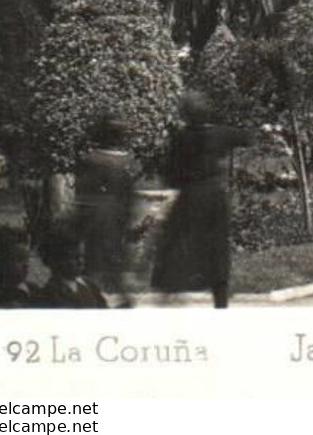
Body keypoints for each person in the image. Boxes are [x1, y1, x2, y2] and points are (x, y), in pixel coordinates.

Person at [150, 93, 257, 308]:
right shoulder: (220, 133)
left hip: (190, 197)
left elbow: (169, 174)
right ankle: (220, 299)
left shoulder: (180, 138)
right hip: (216, 198)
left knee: (175, 245)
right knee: (218, 248)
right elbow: (248, 137)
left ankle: (170, 293)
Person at [75, 116, 139, 307]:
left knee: (95, 258)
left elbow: (83, 188)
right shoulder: (126, 161)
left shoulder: (91, 159)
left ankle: (98, 297)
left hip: (97, 212)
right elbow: (129, 193)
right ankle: (114, 297)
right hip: (113, 213)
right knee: (109, 258)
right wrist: (129, 215)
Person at [33, 230, 108, 309]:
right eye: (73, 257)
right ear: (54, 261)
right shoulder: (49, 295)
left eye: (81, 256)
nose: (80, 262)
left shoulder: (90, 285)